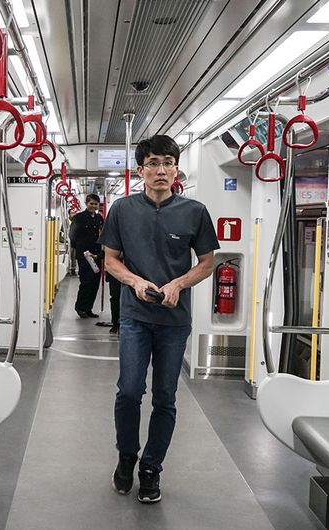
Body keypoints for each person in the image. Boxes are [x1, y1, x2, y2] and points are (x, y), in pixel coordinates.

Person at [98, 134, 220, 504]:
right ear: (141, 170)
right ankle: (126, 456)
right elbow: (111, 260)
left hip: (174, 320)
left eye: (168, 162)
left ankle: (151, 468)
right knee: (130, 391)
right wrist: (135, 281)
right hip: (136, 315)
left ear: (176, 168)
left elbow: (206, 263)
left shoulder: (194, 211)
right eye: (153, 163)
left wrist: (179, 284)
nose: (162, 170)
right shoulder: (122, 209)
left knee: (165, 397)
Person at [69, 193, 103, 318]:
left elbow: (103, 233)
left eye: (96, 204)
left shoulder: (99, 218)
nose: (93, 206)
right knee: (86, 283)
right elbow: (72, 235)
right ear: (86, 203)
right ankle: (80, 307)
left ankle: (89, 308)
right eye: (91, 203)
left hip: (96, 255)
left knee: (95, 283)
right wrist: (79, 249)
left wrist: (100, 253)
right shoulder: (79, 218)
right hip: (84, 256)